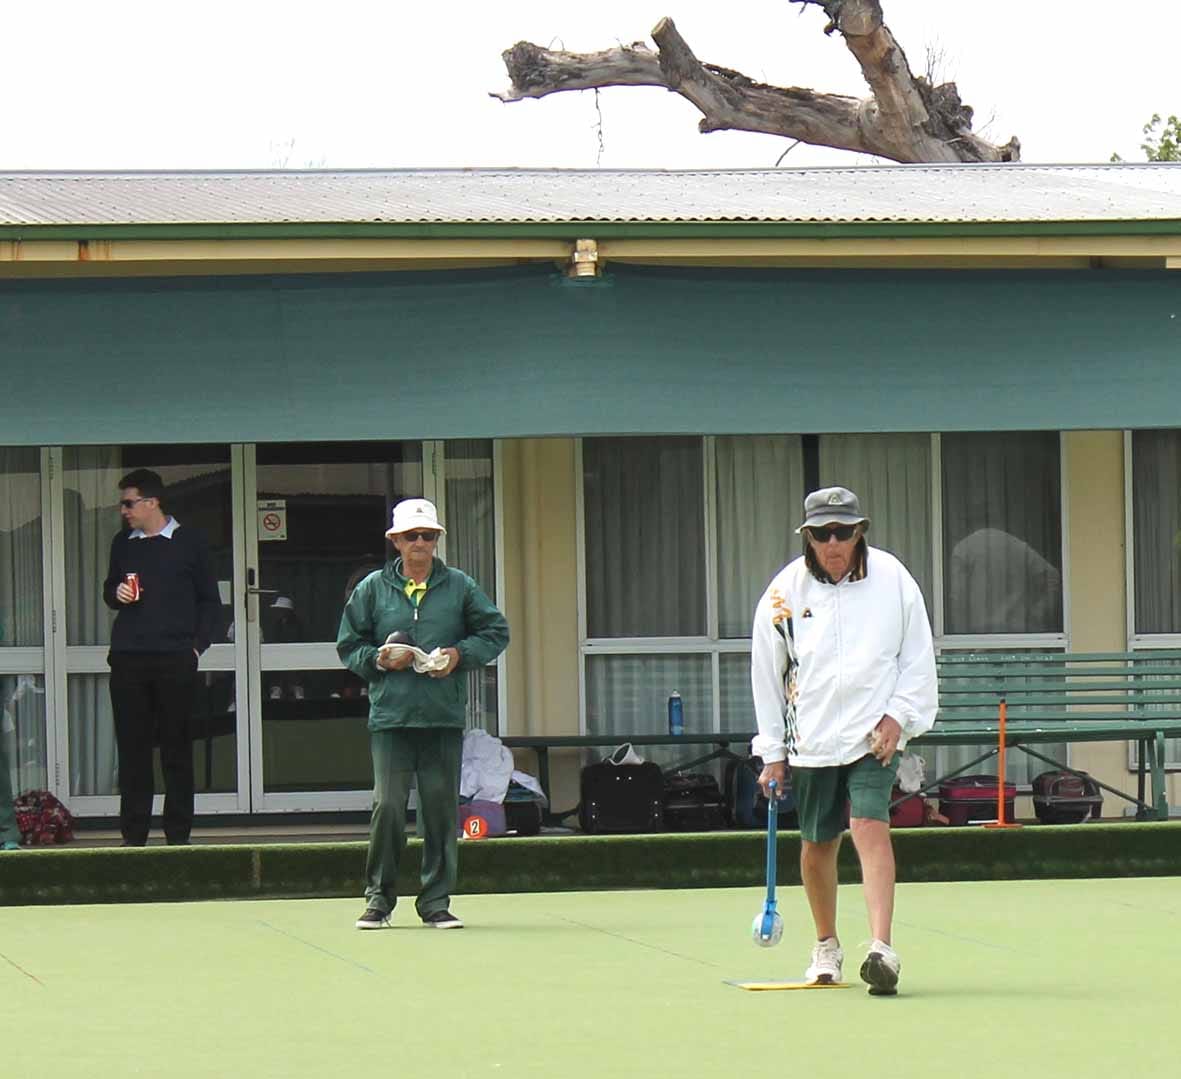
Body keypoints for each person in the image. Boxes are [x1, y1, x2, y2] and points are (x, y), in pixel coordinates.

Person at [750, 486, 937, 995]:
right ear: (807, 537)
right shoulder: (783, 594)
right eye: (822, 534)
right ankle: (826, 944)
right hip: (809, 738)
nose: (833, 543)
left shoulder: (894, 580)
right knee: (817, 843)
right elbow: (767, 676)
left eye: (843, 532)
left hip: (872, 735)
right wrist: (772, 753)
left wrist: (899, 717)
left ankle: (882, 949)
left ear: (860, 533)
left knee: (869, 826)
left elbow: (917, 658)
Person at [337, 498, 509, 930]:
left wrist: (458, 654)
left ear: (436, 541)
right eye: (411, 536)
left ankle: (436, 901)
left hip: (441, 716)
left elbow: (495, 631)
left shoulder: (460, 586)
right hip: (392, 717)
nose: (419, 543)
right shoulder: (372, 588)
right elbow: (348, 644)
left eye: (427, 536)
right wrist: (379, 660)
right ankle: (378, 899)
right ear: (395, 541)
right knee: (389, 808)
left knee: (439, 811)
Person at [102, 469, 220, 847]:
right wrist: (115, 593)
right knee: (133, 750)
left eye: (129, 503)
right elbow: (109, 590)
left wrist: (195, 648)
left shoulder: (191, 543)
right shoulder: (124, 543)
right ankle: (134, 838)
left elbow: (210, 603)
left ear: (152, 502)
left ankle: (177, 838)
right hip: (128, 659)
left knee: (176, 749)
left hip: (175, 659)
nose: (124, 511)